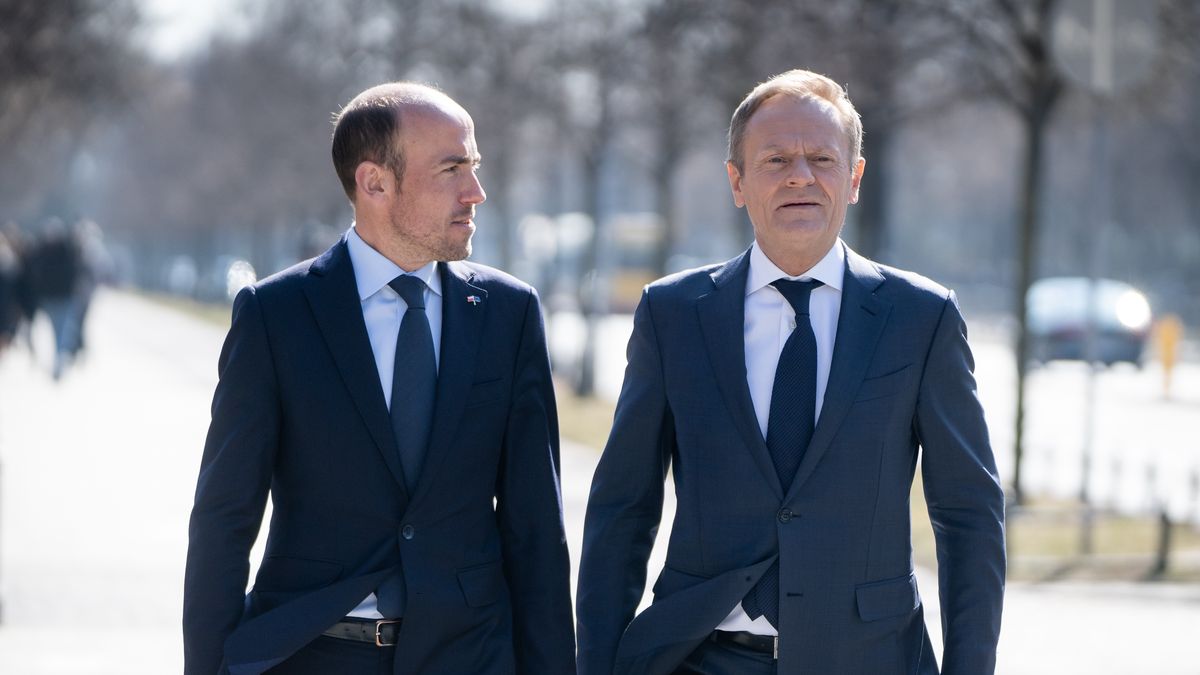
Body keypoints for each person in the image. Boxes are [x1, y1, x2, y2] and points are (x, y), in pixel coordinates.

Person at [576, 69, 1005, 675]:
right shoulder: (672, 315)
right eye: (775, 159)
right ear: (737, 182)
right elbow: (624, 506)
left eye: (821, 158)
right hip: (700, 659)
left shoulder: (921, 317)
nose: (801, 175)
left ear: (853, 179)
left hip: (870, 659)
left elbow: (968, 515)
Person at [184, 82, 576, 675]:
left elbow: (536, 527)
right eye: (452, 169)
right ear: (374, 183)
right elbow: (225, 515)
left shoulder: (508, 312)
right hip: (312, 654)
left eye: (475, 167)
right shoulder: (275, 315)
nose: (477, 192)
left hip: (468, 656)